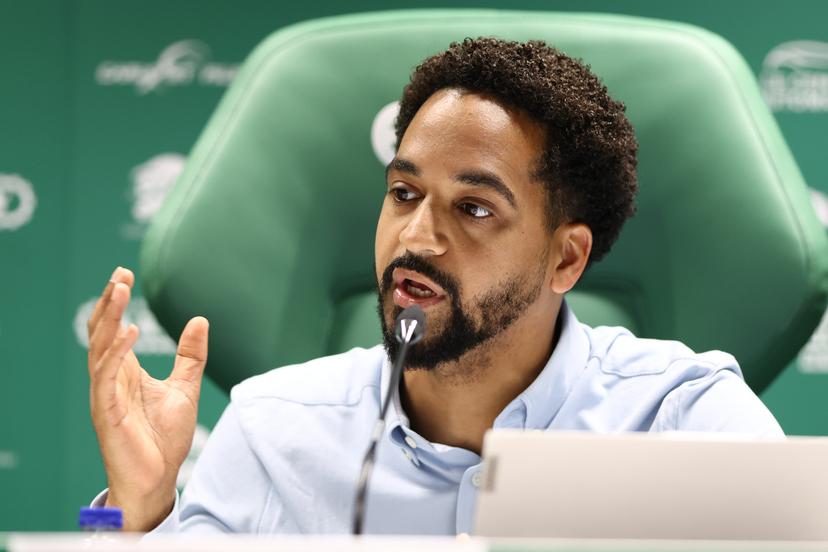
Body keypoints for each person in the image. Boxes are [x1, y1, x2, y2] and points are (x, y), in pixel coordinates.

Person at [86, 38, 783, 535]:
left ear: (566, 260)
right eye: (403, 192)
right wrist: (135, 511)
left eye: (474, 208)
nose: (416, 237)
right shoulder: (273, 430)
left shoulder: (684, 422)